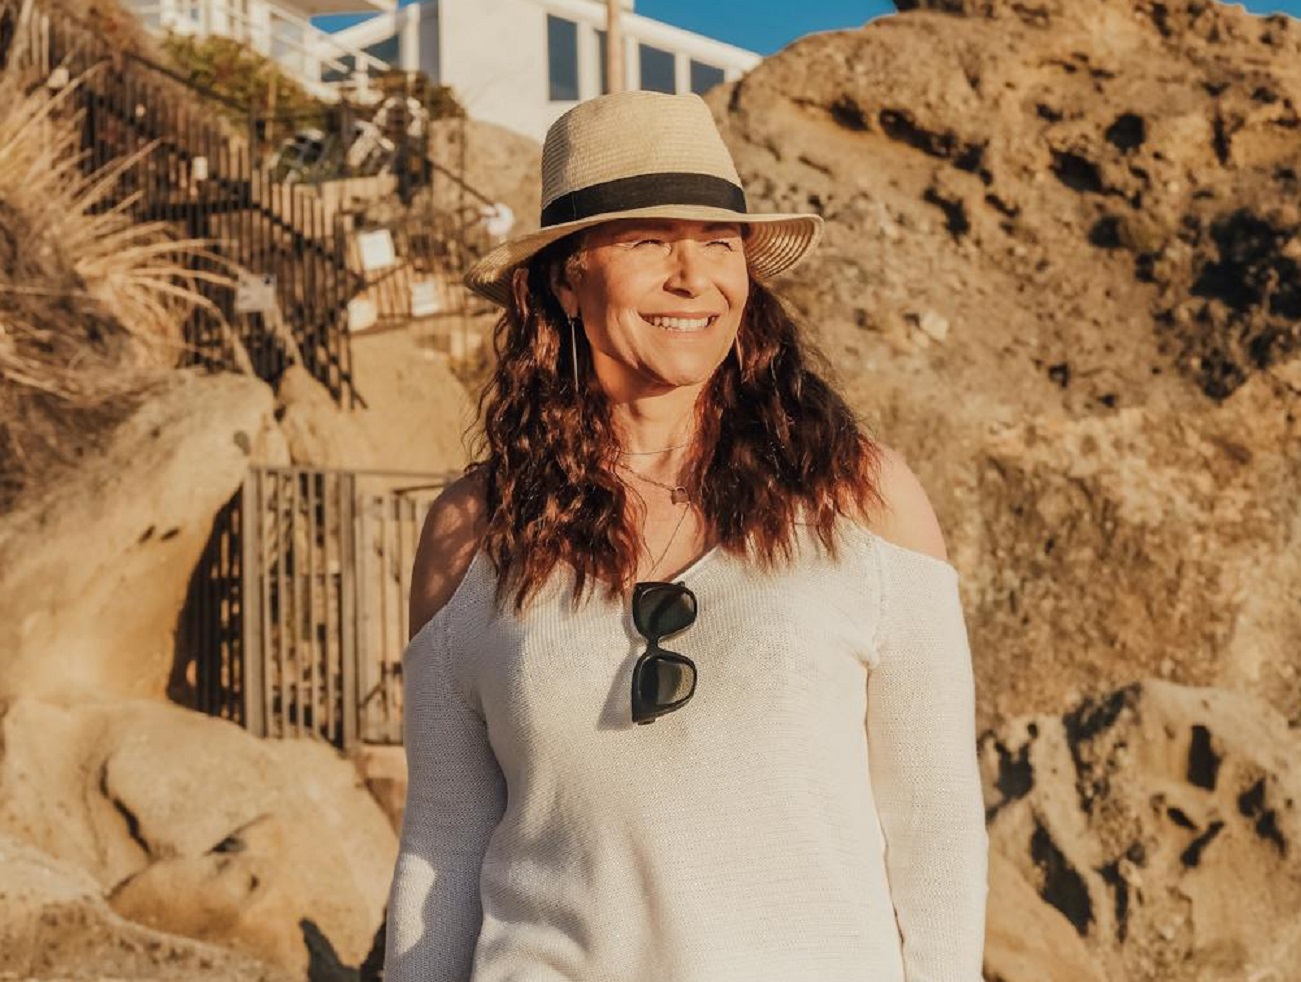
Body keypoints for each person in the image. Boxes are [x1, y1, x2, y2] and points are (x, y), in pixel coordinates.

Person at [384, 90, 988, 982]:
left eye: (717, 242)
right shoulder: (476, 531)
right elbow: (445, 836)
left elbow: (932, 813)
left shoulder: (858, 497)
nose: (692, 276)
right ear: (563, 276)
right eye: (644, 241)